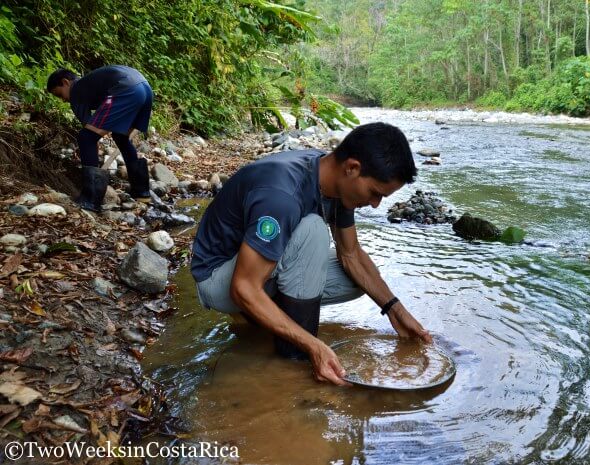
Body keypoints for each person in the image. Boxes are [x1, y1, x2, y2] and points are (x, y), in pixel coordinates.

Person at [191, 122, 433, 386]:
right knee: (313, 231)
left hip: (257, 266)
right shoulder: (282, 195)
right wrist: (313, 346)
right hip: (219, 278)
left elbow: (351, 254)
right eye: (375, 193)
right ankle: (293, 360)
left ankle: (263, 317)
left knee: (356, 280)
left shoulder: (334, 183)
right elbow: (243, 288)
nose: (375, 205)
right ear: (352, 168)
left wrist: (395, 309)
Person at [46, 65, 153, 211]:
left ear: (65, 82)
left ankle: (90, 200)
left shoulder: (76, 90)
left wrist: (88, 154)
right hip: (145, 89)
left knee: (85, 138)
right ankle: (142, 193)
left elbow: (89, 135)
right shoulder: (89, 84)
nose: (63, 100)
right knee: (120, 137)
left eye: (59, 95)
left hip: (127, 89)